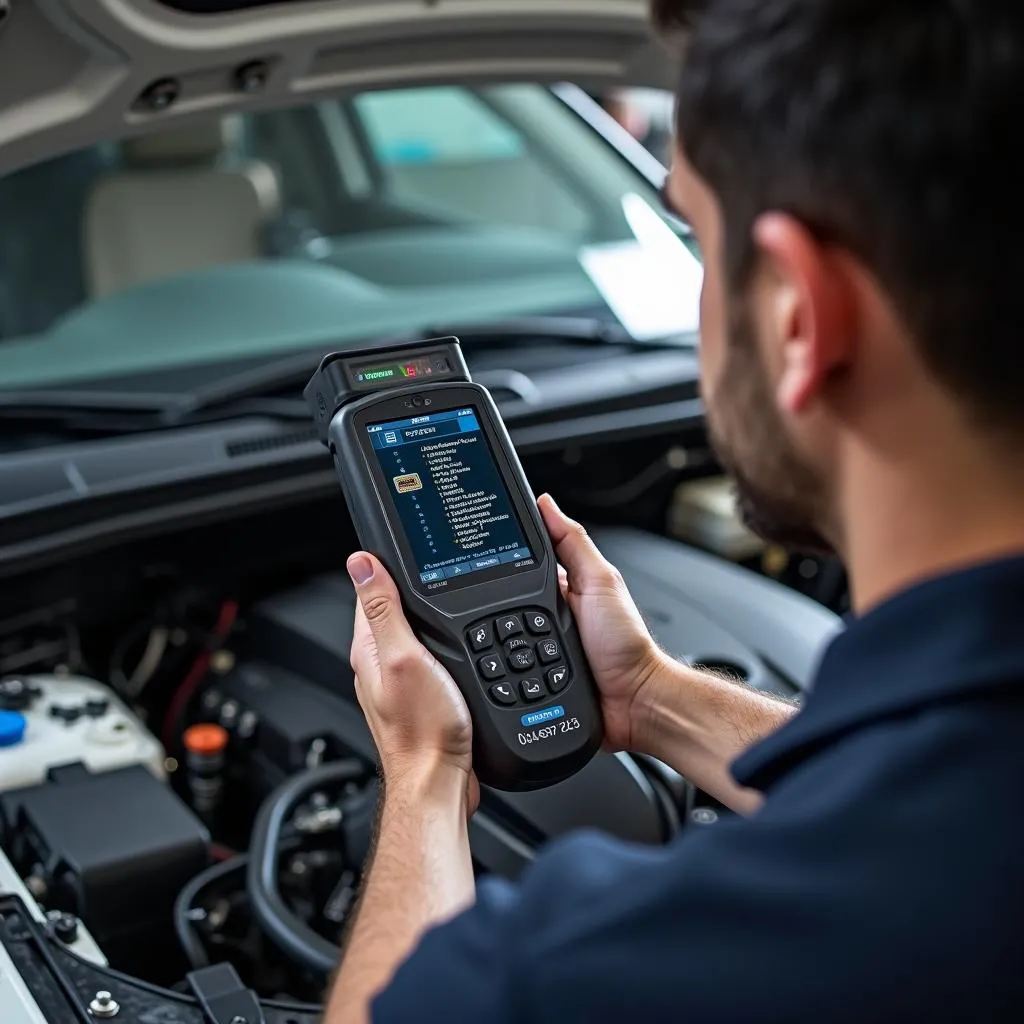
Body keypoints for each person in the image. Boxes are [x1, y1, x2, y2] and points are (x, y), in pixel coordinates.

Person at [325, 0, 1024, 1020]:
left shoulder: (630, 964)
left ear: (794, 313)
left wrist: (428, 773)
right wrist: (648, 697)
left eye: (695, 238)